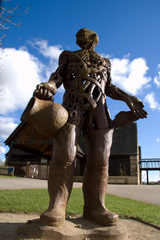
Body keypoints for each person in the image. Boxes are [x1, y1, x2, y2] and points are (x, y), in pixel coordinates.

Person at [33, 28, 147, 227]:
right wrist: (50, 86)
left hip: (99, 111)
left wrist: (129, 98)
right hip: (72, 106)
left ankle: (96, 207)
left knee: (101, 159)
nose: (78, 37)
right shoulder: (67, 56)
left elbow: (109, 87)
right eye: (77, 34)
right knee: (65, 156)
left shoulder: (105, 62)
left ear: (94, 39)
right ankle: (57, 205)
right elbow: (58, 77)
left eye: (83, 34)